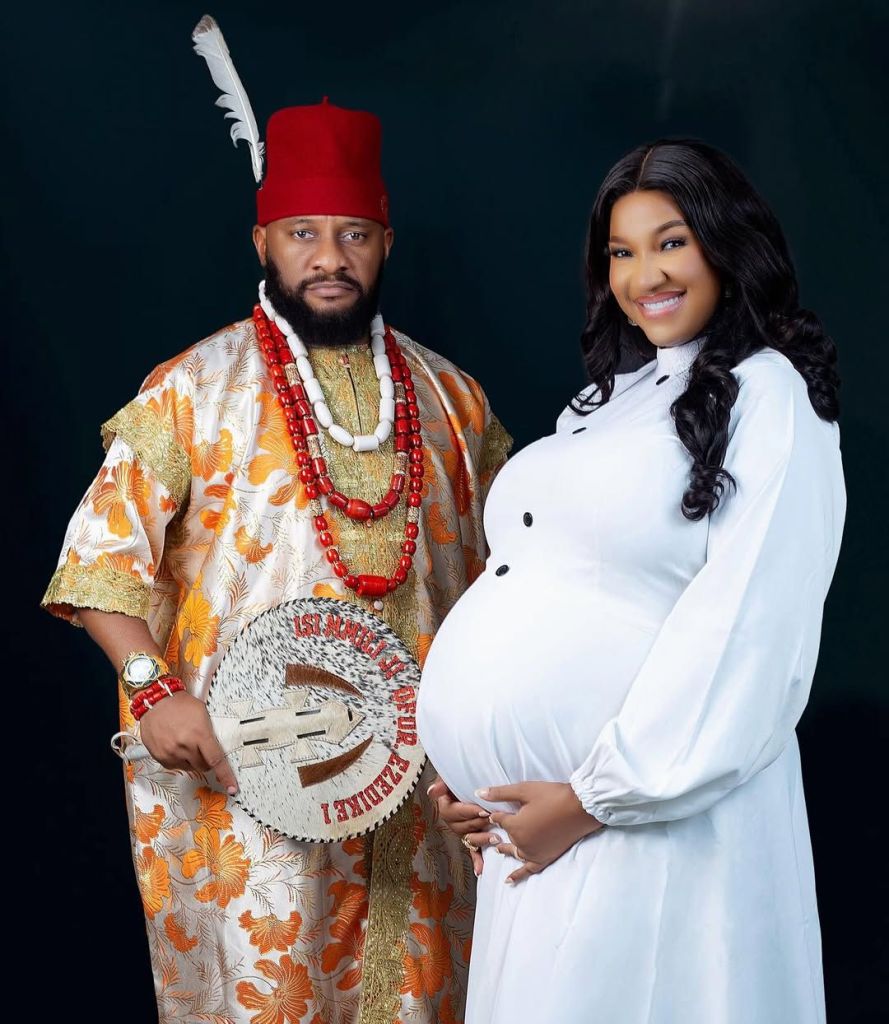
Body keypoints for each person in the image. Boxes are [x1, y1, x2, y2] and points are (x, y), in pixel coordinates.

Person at [42, 23, 511, 1023]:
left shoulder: (454, 401)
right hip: (246, 784)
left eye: (353, 234)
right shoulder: (191, 388)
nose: (329, 258)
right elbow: (98, 565)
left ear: (386, 243)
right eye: (303, 233)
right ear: (263, 242)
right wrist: (153, 689)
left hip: (427, 796)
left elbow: (518, 586)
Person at [418, 139, 844, 1024]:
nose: (643, 275)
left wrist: (589, 800)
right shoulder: (607, 402)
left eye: (670, 242)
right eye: (621, 251)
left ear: (727, 245)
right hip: (538, 839)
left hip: (650, 824)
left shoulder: (770, 394)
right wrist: (474, 784)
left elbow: (750, 629)